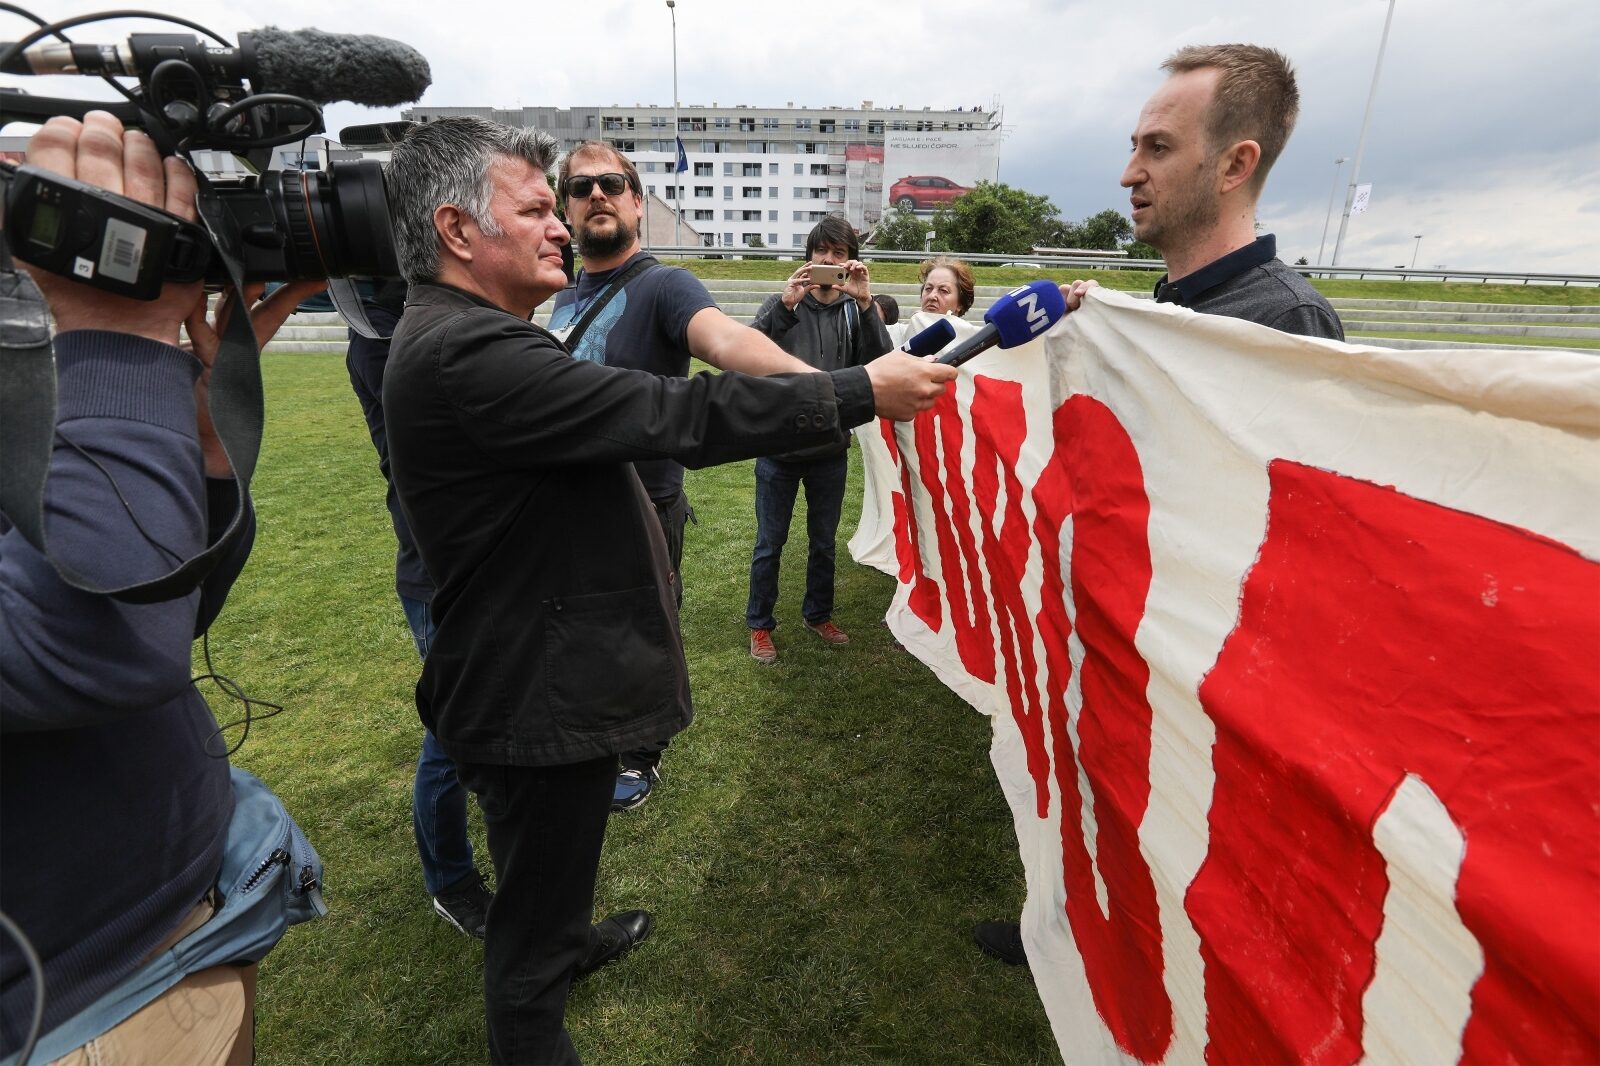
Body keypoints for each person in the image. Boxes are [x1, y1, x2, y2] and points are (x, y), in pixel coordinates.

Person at [380, 116, 953, 1064]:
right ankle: (543, 987)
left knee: (554, 869)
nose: (564, 222)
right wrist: (854, 391)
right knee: (525, 942)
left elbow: (704, 357)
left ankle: (569, 934)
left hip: (537, 666)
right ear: (455, 231)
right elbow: (670, 408)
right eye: (537, 207)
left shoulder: (470, 331)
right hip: (533, 689)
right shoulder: (466, 350)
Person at [975, 42, 1346, 971]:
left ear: (1235, 163)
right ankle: (1074, 925)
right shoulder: (1162, 308)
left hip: (1215, 672)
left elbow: (1302, 544)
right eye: (1134, 144)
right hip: (1131, 638)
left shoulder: (1285, 325)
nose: (1129, 173)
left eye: (1158, 148)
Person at [0, 112, 322, 1062]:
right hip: (67, 1010)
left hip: (160, 930)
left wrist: (203, 447)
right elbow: (95, 651)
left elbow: (171, 608)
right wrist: (114, 334)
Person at [547, 141, 816, 813]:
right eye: (582, 188)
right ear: (566, 208)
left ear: (638, 202)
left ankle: (640, 756)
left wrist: (830, 387)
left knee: (645, 631)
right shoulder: (558, 291)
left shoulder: (665, 284)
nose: (598, 195)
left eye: (613, 183)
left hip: (644, 502)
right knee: (583, 628)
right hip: (566, 498)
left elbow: (725, 341)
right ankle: (592, 734)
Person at [345, 280, 492, 937]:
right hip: (436, 577)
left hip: (466, 567)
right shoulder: (384, 345)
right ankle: (452, 882)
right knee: (451, 731)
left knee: (480, 716)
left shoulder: (412, 334)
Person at [745, 216, 894, 664]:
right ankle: (760, 625)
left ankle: (818, 614)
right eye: (822, 253)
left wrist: (867, 305)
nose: (829, 261)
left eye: (839, 254)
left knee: (823, 542)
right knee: (770, 542)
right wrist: (786, 306)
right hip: (779, 447)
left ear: (851, 262)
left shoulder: (855, 311)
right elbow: (748, 355)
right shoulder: (783, 301)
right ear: (809, 257)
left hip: (830, 447)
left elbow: (882, 365)